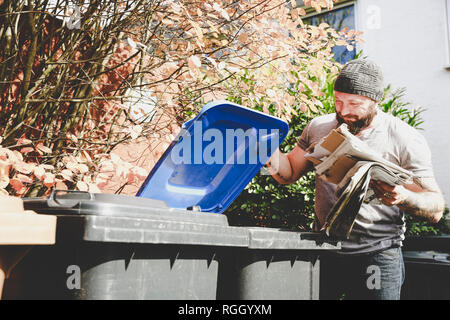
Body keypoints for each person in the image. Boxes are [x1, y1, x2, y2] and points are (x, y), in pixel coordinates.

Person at [265, 58, 445, 300]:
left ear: (375, 101)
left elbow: (436, 208)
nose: (344, 110)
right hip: (325, 248)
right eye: (338, 101)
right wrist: (266, 148)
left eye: (354, 103)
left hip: (378, 254)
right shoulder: (318, 128)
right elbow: (287, 174)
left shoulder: (404, 138)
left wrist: (404, 197)